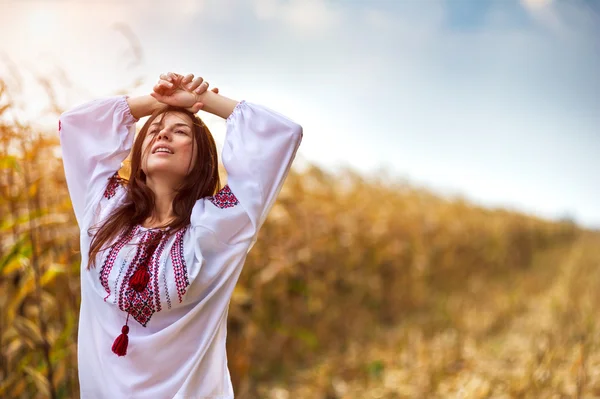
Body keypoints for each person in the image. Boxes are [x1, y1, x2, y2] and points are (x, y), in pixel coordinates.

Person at [58, 72, 303, 398]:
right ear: (141, 152)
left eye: (180, 131)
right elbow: (75, 127)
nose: (163, 136)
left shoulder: (217, 227)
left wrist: (203, 102)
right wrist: (158, 102)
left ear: (201, 155)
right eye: (155, 131)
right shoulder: (103, 208)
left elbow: (283, 134)